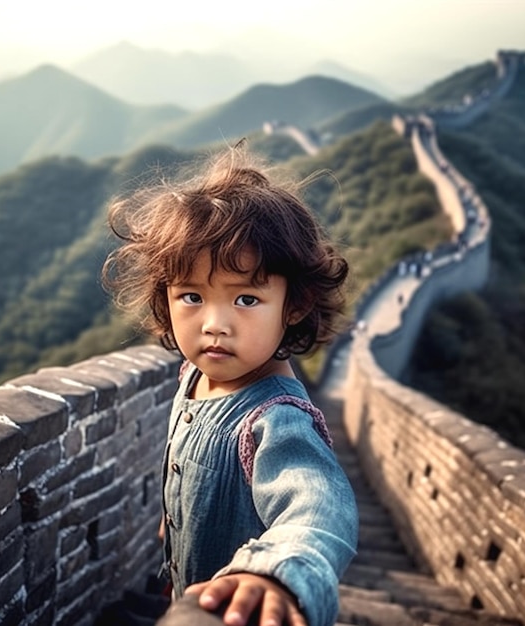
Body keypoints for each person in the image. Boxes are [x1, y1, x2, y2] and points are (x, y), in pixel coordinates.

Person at [102, 142, 359, 626]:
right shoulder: (196, 375)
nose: (214, 324)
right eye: (192, 296)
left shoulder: (276, 418)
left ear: (296, 305)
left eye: (245, 299)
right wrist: (178, 511)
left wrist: (275, 574)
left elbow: (319, 507)